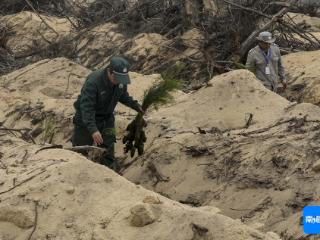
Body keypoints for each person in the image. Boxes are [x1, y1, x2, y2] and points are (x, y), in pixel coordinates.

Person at [72, 56, 143, 169]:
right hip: (86, 120)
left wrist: (136, 105)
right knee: (81, 150)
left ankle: (109, 171)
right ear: (109, 71)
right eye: (117, 78)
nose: (119, 81)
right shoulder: (94, 82)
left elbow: (123, 95)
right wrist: (93, 130)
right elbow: (87, 108)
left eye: (122, 78)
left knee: (108, 148)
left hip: (107, 119)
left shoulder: (120, 80)